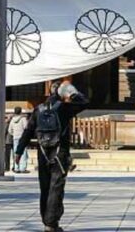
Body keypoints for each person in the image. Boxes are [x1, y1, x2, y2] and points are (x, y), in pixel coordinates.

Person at [16, 81, 89, 232]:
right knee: (56, 187)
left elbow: (28, 131)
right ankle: (51, 223)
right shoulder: (64, 108)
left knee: (45, 188)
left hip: (42, 152)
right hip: (59, 152)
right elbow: (84, 103)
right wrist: (73, 92)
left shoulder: (39, 109)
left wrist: (19, 151)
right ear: (62, 93)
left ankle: (46, 221)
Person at [8, 106, 30, 173]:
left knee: (15, 152)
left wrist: (13, 134)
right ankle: (22, 168)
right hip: (22, 137)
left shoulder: (12, 120)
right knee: (23, 152)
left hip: (15, 137)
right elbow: (26, 128)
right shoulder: (23, 119)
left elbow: (9, 130)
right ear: (20, 112)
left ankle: (16, 168)